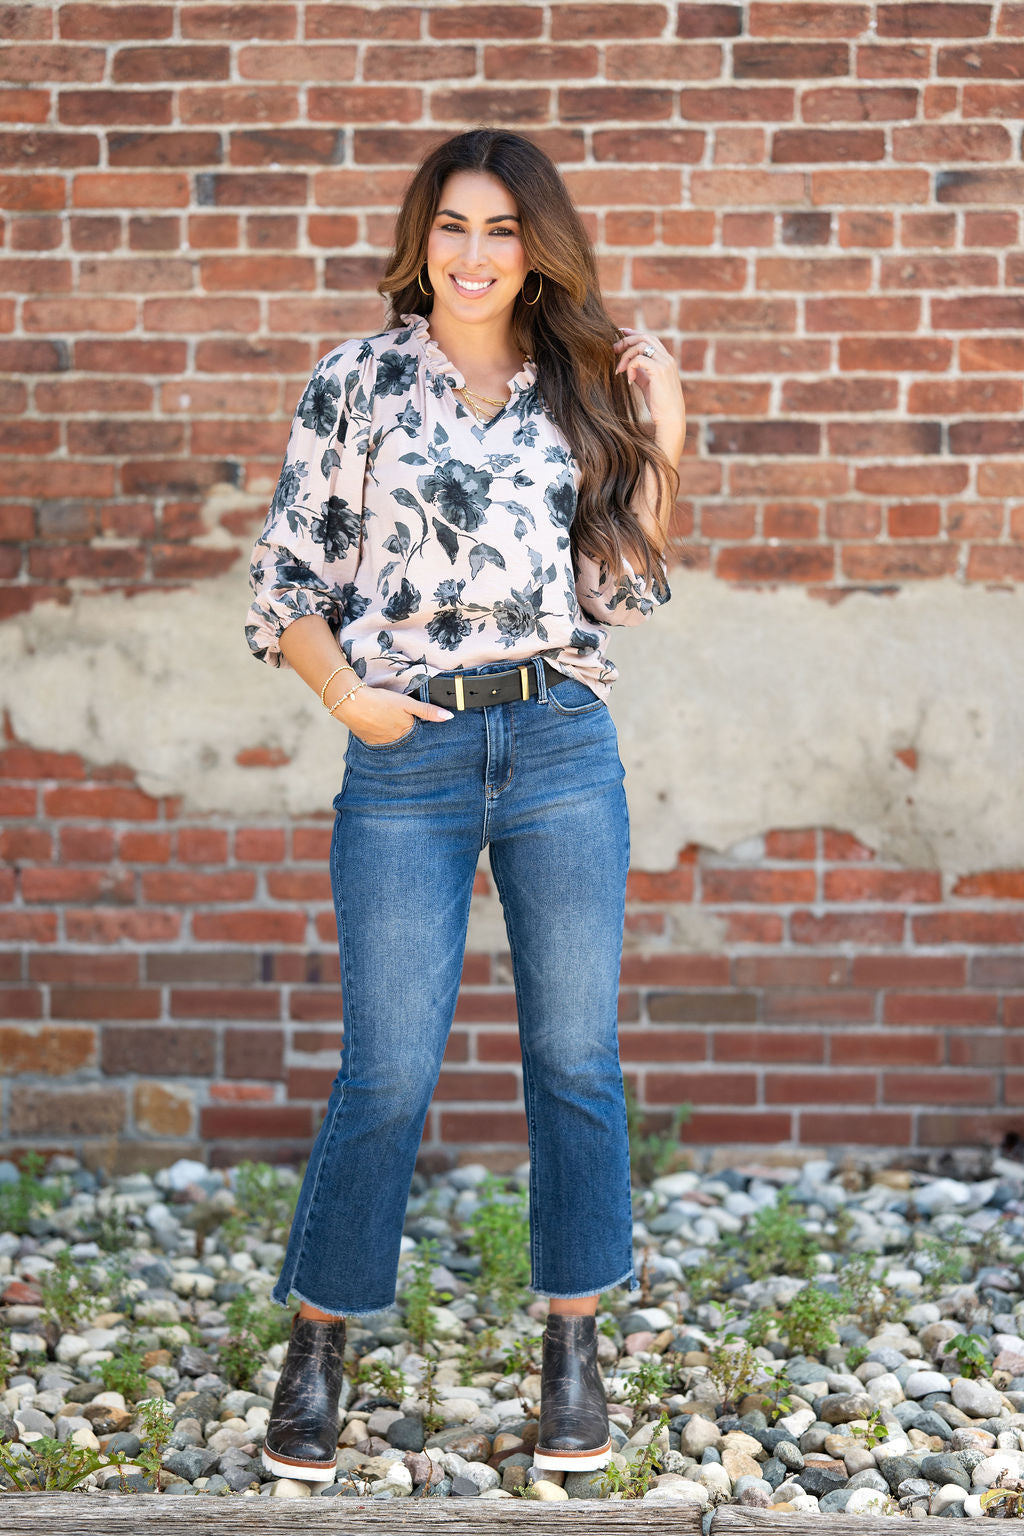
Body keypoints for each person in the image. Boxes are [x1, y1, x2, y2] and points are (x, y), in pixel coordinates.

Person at [244, 126, 685, 1485]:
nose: (476, 254)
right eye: (454, 226)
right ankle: (318, 1347)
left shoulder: (580, 390)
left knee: (575, 1058)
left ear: (536, 249)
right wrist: (353, 703)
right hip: (409, 755)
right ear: (421, 239)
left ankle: (573, 1351)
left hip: (559, 743)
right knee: (386, 1067)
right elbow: (286, 586)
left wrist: (665, 438)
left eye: (502, 229)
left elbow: (622, 591)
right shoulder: (358, 381)